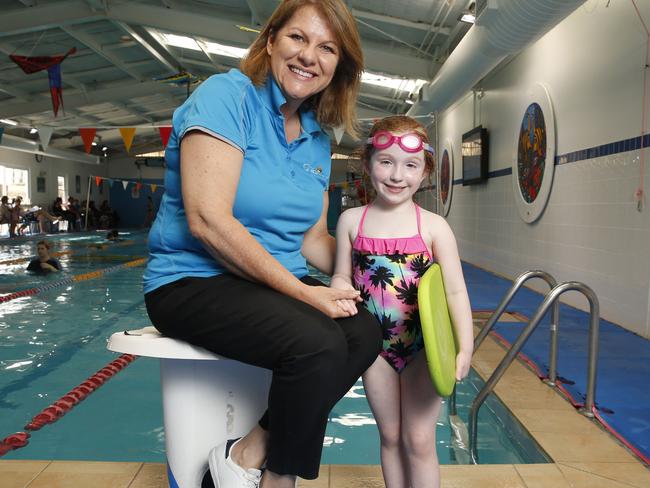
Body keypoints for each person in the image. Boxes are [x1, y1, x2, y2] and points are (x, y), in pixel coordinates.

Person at [142, 1, 380, 487]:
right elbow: (208, 221)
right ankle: (277, 481)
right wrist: (307, 294)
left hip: (271, 285)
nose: (309, 56)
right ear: (270, 41)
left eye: (327, 48)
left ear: (339, 66)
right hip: (193, 279)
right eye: (298, 38)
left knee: (364, 331)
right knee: (317, 342)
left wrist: (379, 264)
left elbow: (313, 239)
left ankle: (246, 455)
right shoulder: (226, 96)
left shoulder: (317, 138)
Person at [330, 116, 474, 488]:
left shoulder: (434, 226)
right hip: (373, 348)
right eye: (386, 162)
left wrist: (465, 347)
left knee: (421, 439)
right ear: (367, 164)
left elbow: (456, 291)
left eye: (410, 165)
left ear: (424, 171)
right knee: (391, 436)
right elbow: (342, 274)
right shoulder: (351, 221)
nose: (397, 175)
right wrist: (340, 288)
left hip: (423, 347)